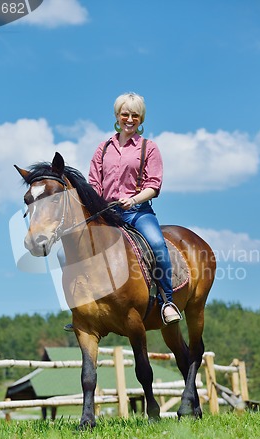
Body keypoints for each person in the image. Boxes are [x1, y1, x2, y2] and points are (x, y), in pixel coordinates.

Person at [88, 92, 181, 325]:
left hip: (137, 212)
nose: (130, 119)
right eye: (125, 114)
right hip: (107, 213)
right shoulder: (103, 148)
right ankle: (83, 306)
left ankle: (167, 301)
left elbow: (154, 185)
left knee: (158, 244)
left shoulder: (148, 148)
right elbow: (94, 183)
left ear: (141, 119)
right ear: (117, 116)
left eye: (135, 116)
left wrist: (135, 199)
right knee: (77, 247)